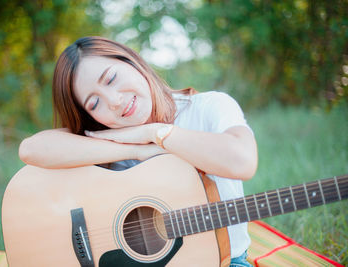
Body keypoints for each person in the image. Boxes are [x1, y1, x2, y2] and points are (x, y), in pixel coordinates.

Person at [19, 36, 257, 267]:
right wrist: (137, 151)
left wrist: (154, 134)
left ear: (132, 62)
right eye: (94, 103)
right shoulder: (107, 137)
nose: (113, 101)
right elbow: (31, 149)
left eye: (111, 78)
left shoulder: (209, 107)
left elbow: (242, 161)